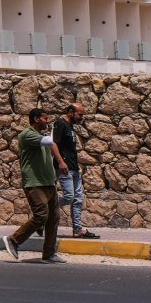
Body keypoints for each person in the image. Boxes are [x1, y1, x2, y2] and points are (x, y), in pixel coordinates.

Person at [5, 107, 62, 262]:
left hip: (48, 182)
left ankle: (49, 254)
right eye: (45, 119)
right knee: (41, 216)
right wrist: (54, 129)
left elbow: (49, 145)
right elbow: (49, 141)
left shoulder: (40, 136)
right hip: (35, 183)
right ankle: (14, 240)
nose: (47, 121)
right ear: (36, 119)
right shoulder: (27, 134)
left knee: (54, 218)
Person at [53, 100, 98, 240]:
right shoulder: (60, 124)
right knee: (69, 197)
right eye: (80, 114)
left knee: (78, 199)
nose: (81, 117)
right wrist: (61, 162)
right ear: (71, 112)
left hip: (74, 167)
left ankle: (77, 230)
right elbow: (53, 143)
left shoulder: (70, 126)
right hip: (64, 167)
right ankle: (46, 209)